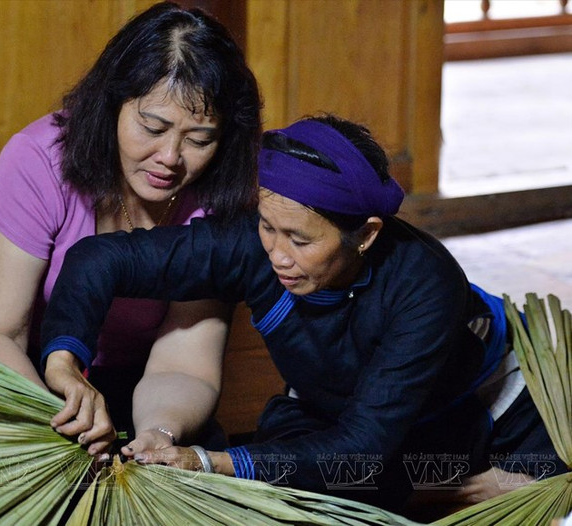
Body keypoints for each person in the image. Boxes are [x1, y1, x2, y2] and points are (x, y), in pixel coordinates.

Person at [39, 114, 567, 512]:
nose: (277, 255)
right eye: (269, 227)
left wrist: (211, 462)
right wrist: (65, 362)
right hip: (337, 416)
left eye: (301, 240)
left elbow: (362, 449)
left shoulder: (425, 285)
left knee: (459, 488)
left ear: (367, 235)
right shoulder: (255, 239)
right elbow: (97, 260)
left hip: (472, 410)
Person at [0, 1, 261, 456]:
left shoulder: (221, 199)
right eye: (152, 127)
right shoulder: (39, 159)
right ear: (114, 103)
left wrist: (162, 433)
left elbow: (185, 366)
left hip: (118, 372)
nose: (170, 157)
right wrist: (53, 415)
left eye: (198, 139)